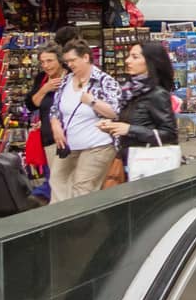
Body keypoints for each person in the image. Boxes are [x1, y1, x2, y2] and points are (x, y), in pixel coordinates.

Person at [49, 41, 121, 203]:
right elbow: (55, 108)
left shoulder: (104, 81)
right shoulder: (66, 81)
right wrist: (55, 125)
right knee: (57, 179)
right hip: (69, 144)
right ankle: (62, 218)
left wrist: (92, 101)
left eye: (73, 60)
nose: (69, 64)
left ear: (86, 57)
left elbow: (115, 111)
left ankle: (79, 223)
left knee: (83, 187)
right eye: (67, 61)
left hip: (97, 144)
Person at [97, 41, 179, 167]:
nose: (127, 61)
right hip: (128, 160)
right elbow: (135, 122)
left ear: (150, 62)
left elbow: (169, 134)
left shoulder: (157, 94)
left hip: (150, 164)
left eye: (135, 57)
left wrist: (130, 129)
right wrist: (113, 126)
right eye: (129, 56)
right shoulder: (130, 91)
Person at [24, 43, 66, 181]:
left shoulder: (70, 76)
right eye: (43, 62)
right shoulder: (42, 78)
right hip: (48, 137)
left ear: (60, 60)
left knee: (62, 179)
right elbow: (32, 104)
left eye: (50, 61)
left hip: (68, 135)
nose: (46, 66)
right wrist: (45, 89)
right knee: (55, 179)